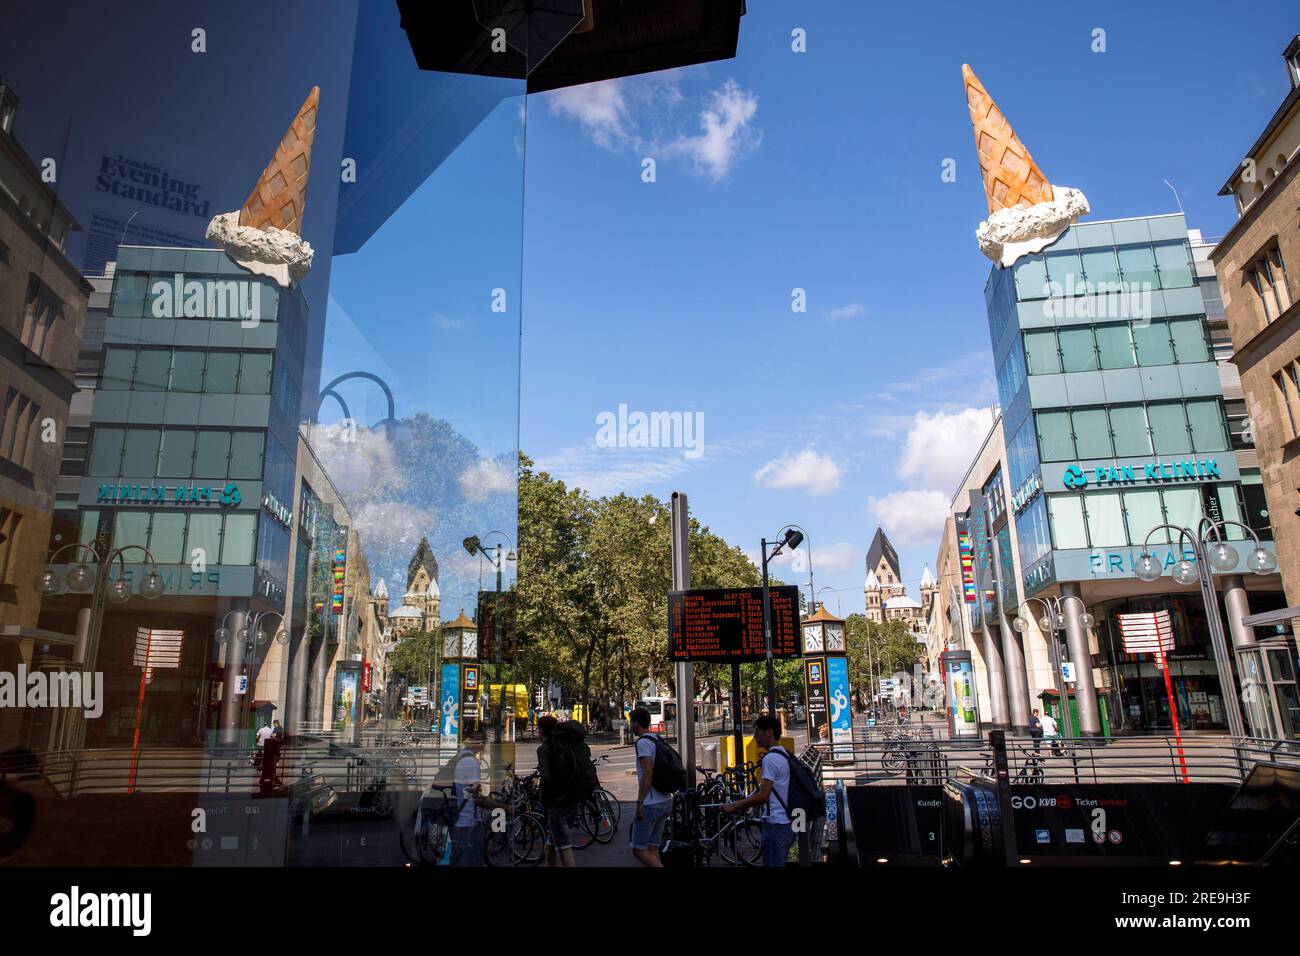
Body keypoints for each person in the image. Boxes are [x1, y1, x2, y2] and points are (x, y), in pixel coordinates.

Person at [722, 714, 795, 867]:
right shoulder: (784, 753)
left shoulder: (770, 759)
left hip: (776, 825)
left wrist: (735, 806)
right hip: (786, 823)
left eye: (757, 731)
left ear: (769, 732)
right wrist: (744, 803)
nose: (754, 736)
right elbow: (764, 789)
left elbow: (763, 795)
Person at [536, 714, 595, 867]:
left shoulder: (544, 749)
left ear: (542, 730)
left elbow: (547, 777)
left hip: (556, 803)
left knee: (564, 847)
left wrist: (540, 783)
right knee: (551, 843)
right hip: (573, 797)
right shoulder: (567, 745)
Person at [629, 706, 674, 867]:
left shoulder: (643, 743)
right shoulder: (657, 738)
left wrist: (640, 802)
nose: (630, 726)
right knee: (652, 846)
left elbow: (647, 773)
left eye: (631, 722)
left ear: (636, 723)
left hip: (651, 803)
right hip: (665, 800)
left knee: (638, 849)